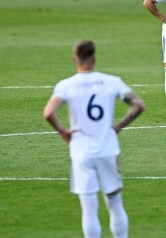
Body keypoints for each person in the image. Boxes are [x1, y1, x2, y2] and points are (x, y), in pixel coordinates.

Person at [43, 40, 145, 238]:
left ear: (75, 59)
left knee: (89, 208)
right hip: (108, 149)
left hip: (81, 151)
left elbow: (48, 112)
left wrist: (63, 131)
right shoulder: (111, 81)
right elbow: (138, 105)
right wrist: (118, 126)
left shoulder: (67, 85)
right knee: (115, 204)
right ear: (95, 59)